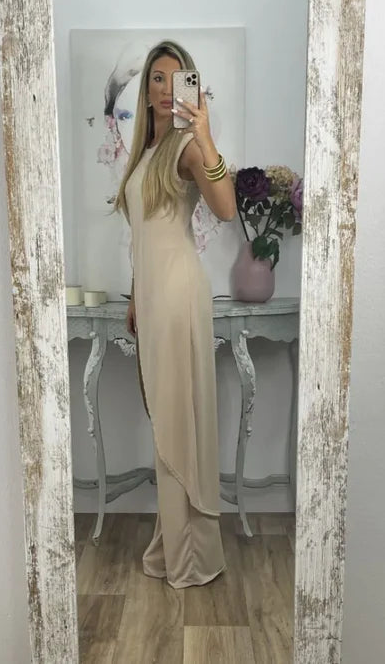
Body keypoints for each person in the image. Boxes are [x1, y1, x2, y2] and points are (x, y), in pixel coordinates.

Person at [114, 40, 236, 589]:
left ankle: (192, 554)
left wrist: (206, 137)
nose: (167, 89)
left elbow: (226, 208)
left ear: (192, 87)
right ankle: (175, 542)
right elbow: (145, 235)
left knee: (175, 414)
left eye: (178, 78)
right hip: (153, 296)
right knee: (163, 412)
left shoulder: (186, 146)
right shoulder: (143, 152)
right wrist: (135, 295)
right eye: (158, 79)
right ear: (145, 91)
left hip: (180, 294)